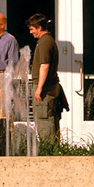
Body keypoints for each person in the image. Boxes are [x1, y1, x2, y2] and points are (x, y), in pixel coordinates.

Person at [28, 12, 62, 144]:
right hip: (51, 86)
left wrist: (39, 88)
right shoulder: (50, 41)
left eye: (32, 29)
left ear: (39, 27)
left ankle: (48, 150)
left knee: (44, 120)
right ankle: (54, 150)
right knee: (51, 119)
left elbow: (44, 66)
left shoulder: (44, 42)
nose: (31, 32)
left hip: (45, 89)